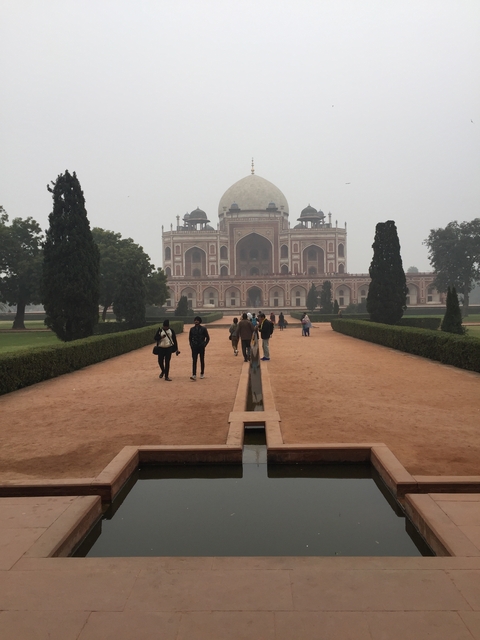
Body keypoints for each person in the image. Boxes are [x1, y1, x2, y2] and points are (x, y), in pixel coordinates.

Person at [189, 316, 210, 380]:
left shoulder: (203, 329)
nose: (196, 321)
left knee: (202, 360)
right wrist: (191, 345)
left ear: (200, 321)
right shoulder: (192, 329)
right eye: (195, 320)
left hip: (201, 346)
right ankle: (194, 374)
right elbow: (190, 338)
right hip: (194, 346)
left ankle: (202, 373)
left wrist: (204, 344)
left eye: (197, 320)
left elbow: (208, 338)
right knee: (194, 361)